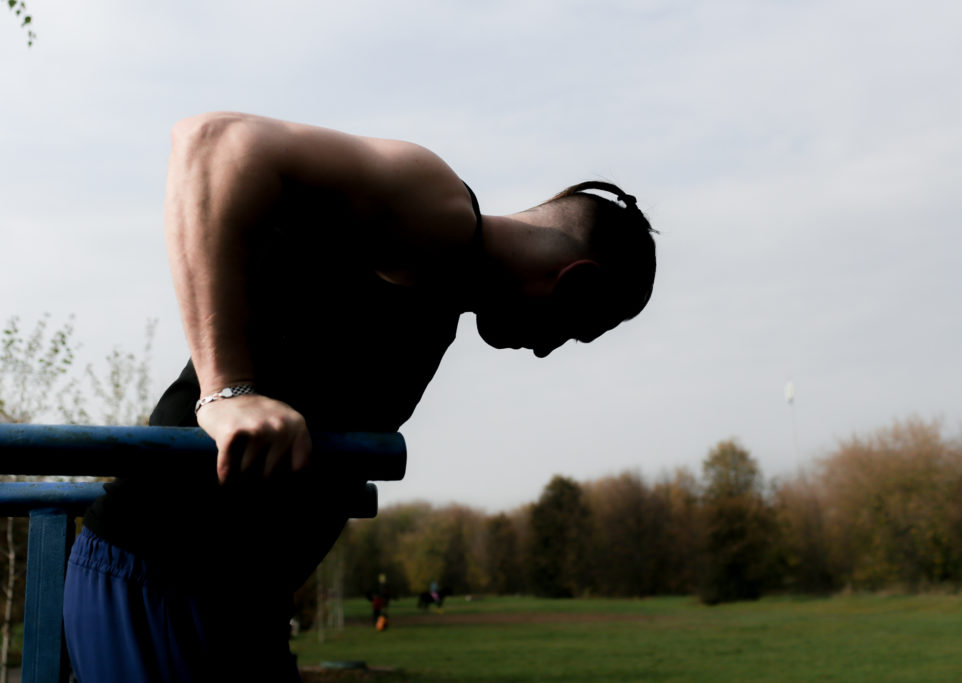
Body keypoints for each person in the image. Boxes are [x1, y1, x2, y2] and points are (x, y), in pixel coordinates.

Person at [62, 112, 657, 682]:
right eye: (575, 330)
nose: (547, 350)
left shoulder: (439, 286)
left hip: (238, 605)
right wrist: (226, 390)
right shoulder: (441, 215)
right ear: (576, 281)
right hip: (162, 577)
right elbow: (213, 141)